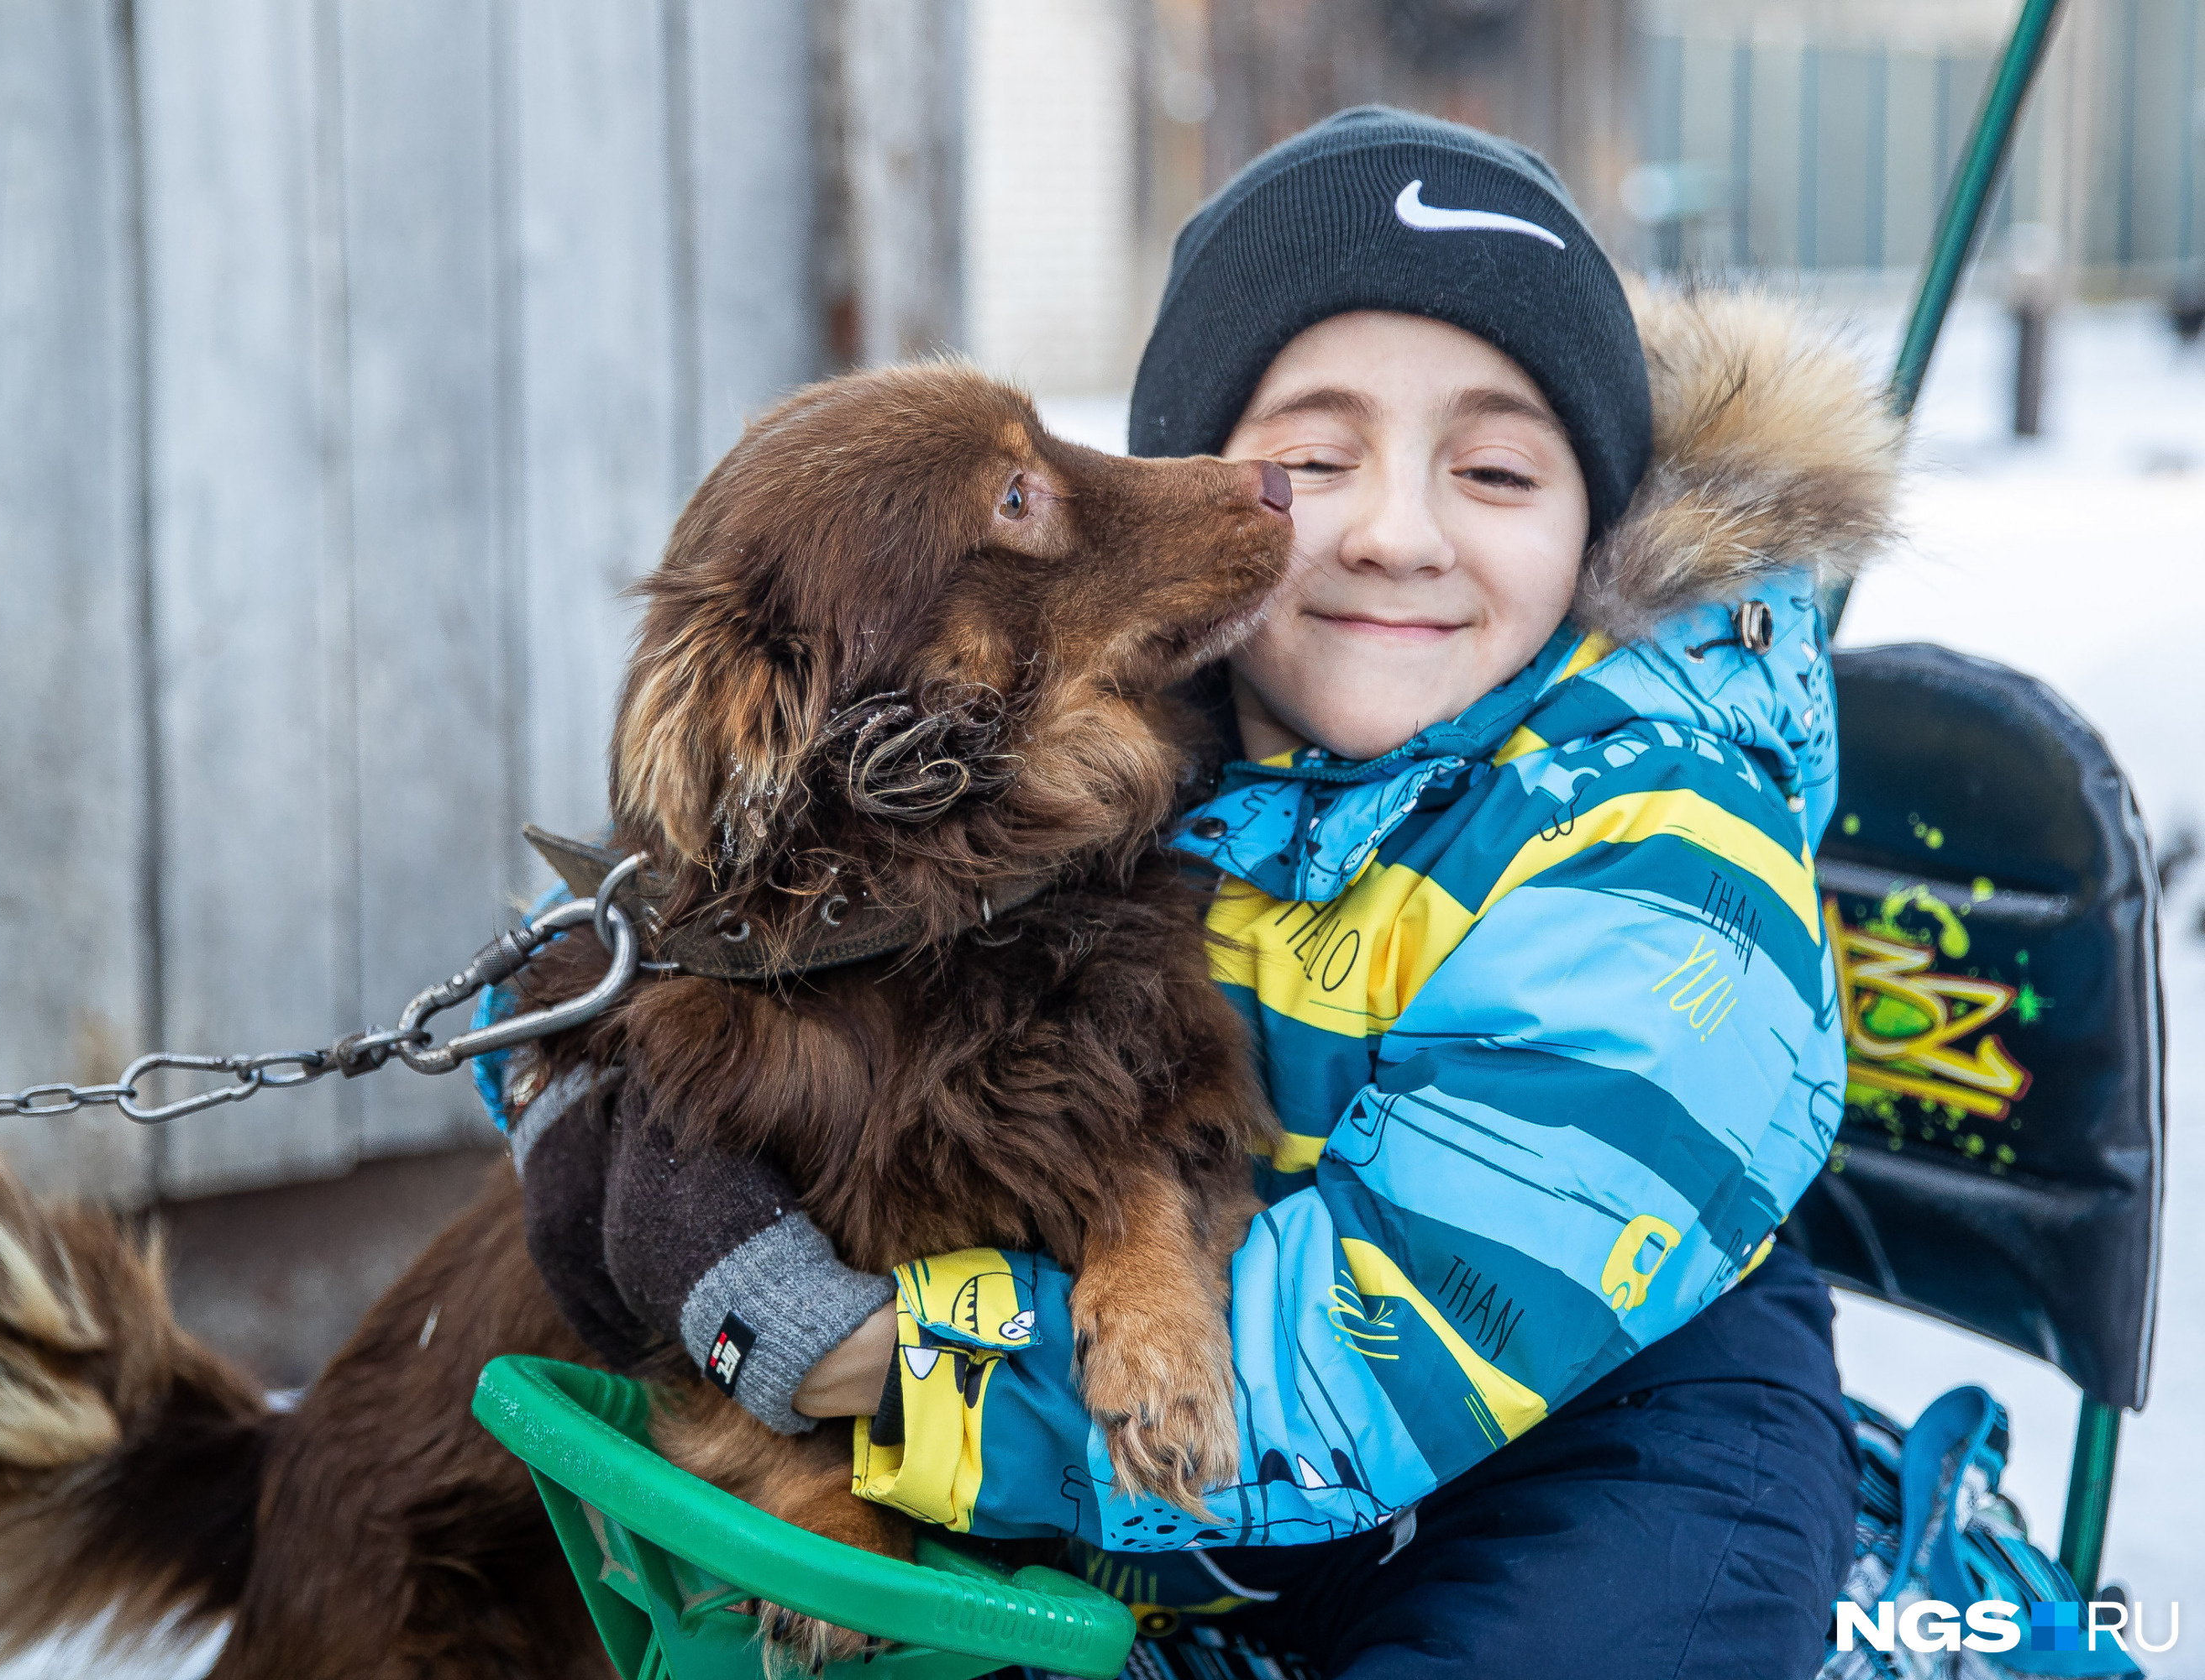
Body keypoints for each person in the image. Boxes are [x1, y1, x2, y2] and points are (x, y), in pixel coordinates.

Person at [501, 108, 1902, 1677]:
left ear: (1600, 531)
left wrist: (864, 1363)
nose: (1392, 532)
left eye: (1497, 469)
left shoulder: (1661, 864)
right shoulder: (1135, 749)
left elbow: (1358, 1363)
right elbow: (786, 951)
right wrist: (582, 1091)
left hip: (1592, 1472)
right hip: (1201, 1541)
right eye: (1311, 462)